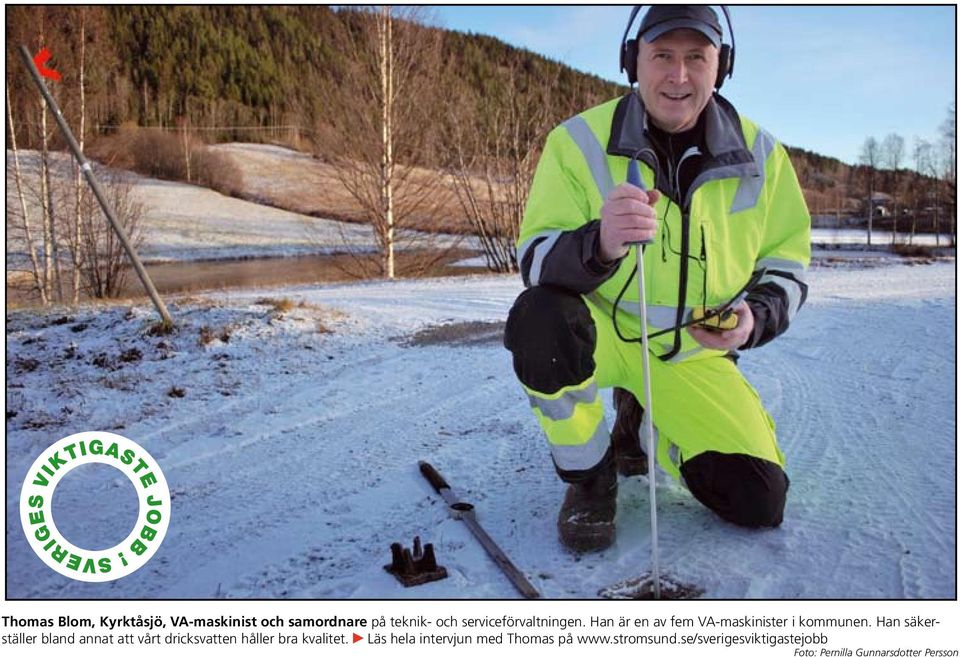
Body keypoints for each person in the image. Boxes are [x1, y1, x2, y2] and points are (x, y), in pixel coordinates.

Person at [503, 5, 810, 553]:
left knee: (758, 502)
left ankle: (643, 425)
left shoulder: (765, 156)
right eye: (662, 55)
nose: (679, 75)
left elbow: (788, 264)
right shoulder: (576, 142)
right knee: (539, 317)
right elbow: (536, 258)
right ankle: (590, 477)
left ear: (722, 65)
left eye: (697, 57)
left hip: (692, 349)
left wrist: (753, 318)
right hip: (601, 332)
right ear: (633, 61)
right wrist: (598, 244)